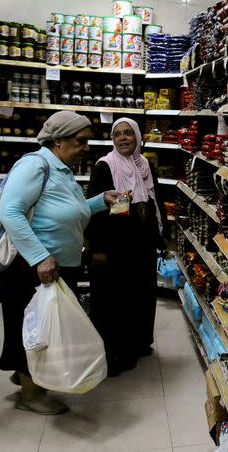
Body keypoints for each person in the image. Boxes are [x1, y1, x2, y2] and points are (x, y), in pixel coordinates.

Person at [0, 110, 120, 415]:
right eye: (79, 141)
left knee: (45, 328)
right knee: (36, 329)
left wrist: (100, 201)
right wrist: (40, 257)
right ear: (57, 141)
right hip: (33, 267)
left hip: (56, 265)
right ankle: (31, 393)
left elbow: (70, 211)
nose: (85, 148)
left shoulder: (62, 170)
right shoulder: (34, 165)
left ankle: (28, 375)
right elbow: (10, 212)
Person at [85, 118, 167, 376]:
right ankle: (114, 353)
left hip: (141, 243)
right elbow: (95, 211)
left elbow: (155, 201)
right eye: (117, 134)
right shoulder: (105, 167)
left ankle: (139, 343)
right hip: (114, 244)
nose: (122, 138)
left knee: (141, 294)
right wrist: (97, 248)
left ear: (138, 137)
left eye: (128, 134)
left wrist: (160, 236)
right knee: (114, 299)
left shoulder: (146, 166)